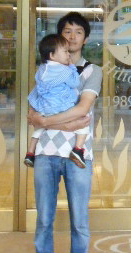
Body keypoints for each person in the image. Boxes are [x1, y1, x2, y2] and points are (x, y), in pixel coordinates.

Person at [27, 12, 102, 253]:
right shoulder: (46, 69)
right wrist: (58, 123)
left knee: (79, 221)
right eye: (67, 31)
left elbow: (82, 109)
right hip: (46, 153)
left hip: (77, 154)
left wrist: (47, 122)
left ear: (85, 38)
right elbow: (32, 111)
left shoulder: (91, 71)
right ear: (59, 37)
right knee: (44, 219)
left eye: (78, 32)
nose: (72, 37)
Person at [24, 33, 89, 169]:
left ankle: (30, 153)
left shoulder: (41, 69)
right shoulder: (64, 70)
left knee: (39, 128)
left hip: (44, 108)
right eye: (65, 51)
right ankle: (78, 149)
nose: (68, 55)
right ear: (52, 55)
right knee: (84, 121)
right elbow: (74, 83)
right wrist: (72, 67)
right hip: (61, 107)